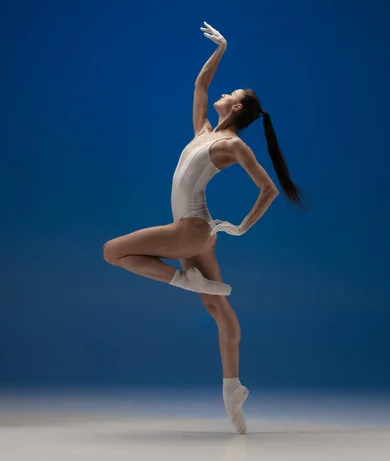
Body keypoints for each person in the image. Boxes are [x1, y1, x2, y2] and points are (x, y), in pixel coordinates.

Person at [103, 22, 309, 434]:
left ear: (236, 110)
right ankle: (233, 389)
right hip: (196, 233)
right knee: (218, 309)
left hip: (192, 228)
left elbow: (268, 189)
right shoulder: (202, 132)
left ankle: (183, 281)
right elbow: (200, 83)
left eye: (231, 94)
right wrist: (222, 49)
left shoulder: (231, 145)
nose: (223, 92)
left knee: (113, 251)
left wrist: (241, 227)